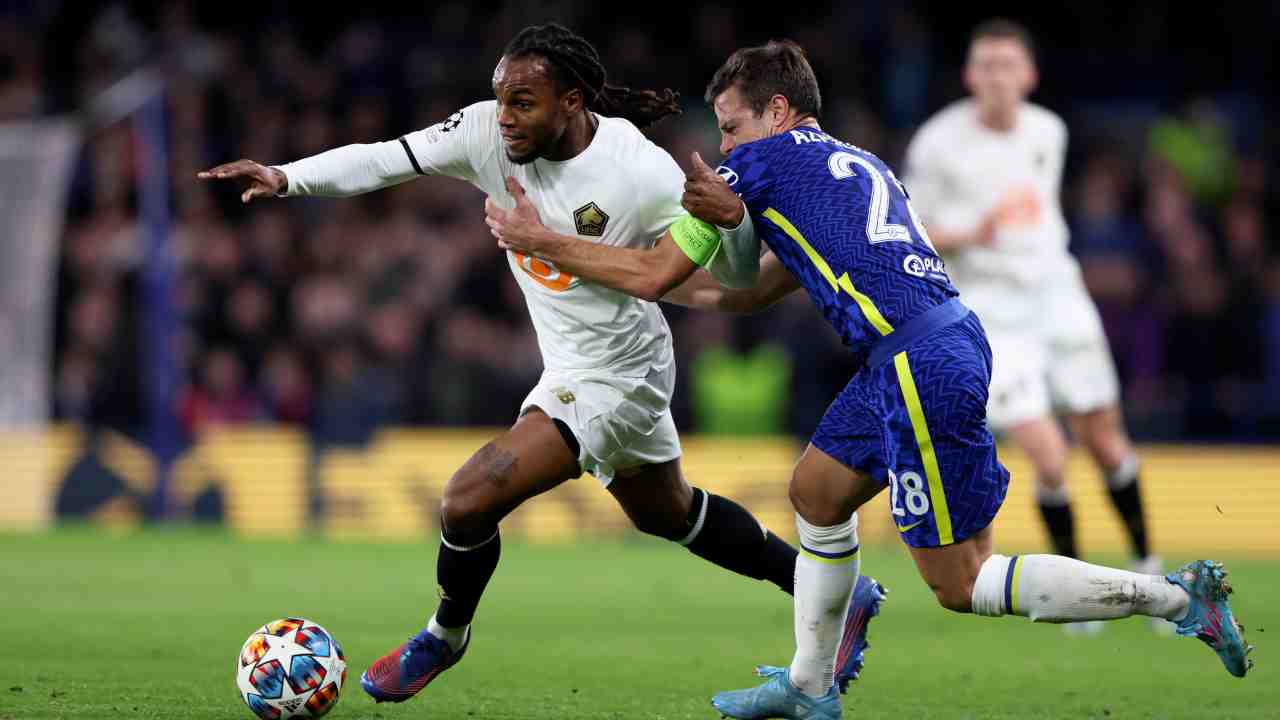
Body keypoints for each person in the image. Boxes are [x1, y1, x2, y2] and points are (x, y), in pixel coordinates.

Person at [486, 38, 1252, 720]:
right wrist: (681, 262)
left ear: (777, 110)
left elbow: (657, 273)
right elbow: (747, 287)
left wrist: (540, 243)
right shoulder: (854, 165)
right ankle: (810, 685)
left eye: (731, 125)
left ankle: (1181, 598)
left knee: (962, 583)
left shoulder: (761, 162)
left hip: (919, 362)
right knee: (817, 490)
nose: (724, 146)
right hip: (922, 352)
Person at [197, 22, 882, 707]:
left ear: (573, 102)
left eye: (523, 102)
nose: (507, 116)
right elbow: (385, 159)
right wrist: (287, 177)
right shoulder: (486, 136)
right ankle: (829, 588)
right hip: (569, 366)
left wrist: (732, 231)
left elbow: (729, 272)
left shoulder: (638, 171)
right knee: (668, 514)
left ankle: (445, 634)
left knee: (469, 496)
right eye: (502, 99)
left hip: (622, 370)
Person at [902, 19, 1160, 634]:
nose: (996, 76)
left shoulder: (1049, 130)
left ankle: (1148, 561)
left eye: (1007, 65)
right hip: (992, 314)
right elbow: (911, 226)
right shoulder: (938, 143)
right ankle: (1082, 595)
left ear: (1029, 75)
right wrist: (974, 233)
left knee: (1106, 444)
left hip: (1058, 299)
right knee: (1047, 456)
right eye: (985, 65)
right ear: (968, 76)